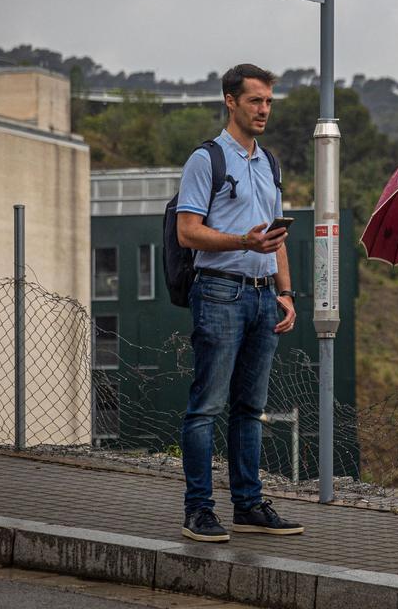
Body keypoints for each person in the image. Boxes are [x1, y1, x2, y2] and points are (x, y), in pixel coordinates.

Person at [175, 63, 303, 542]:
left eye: (269, 101)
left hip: (262, 297)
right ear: (231, 101)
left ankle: (248, 505)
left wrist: (285, 292)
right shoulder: (206, 160)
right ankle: (198, 511)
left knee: (250, 408)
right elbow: (187, 232)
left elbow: (275, 236)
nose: (264, 109)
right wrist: (242, 244)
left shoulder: (269, 162)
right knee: (206, 407)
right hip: (219, 291)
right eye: (255, 100)